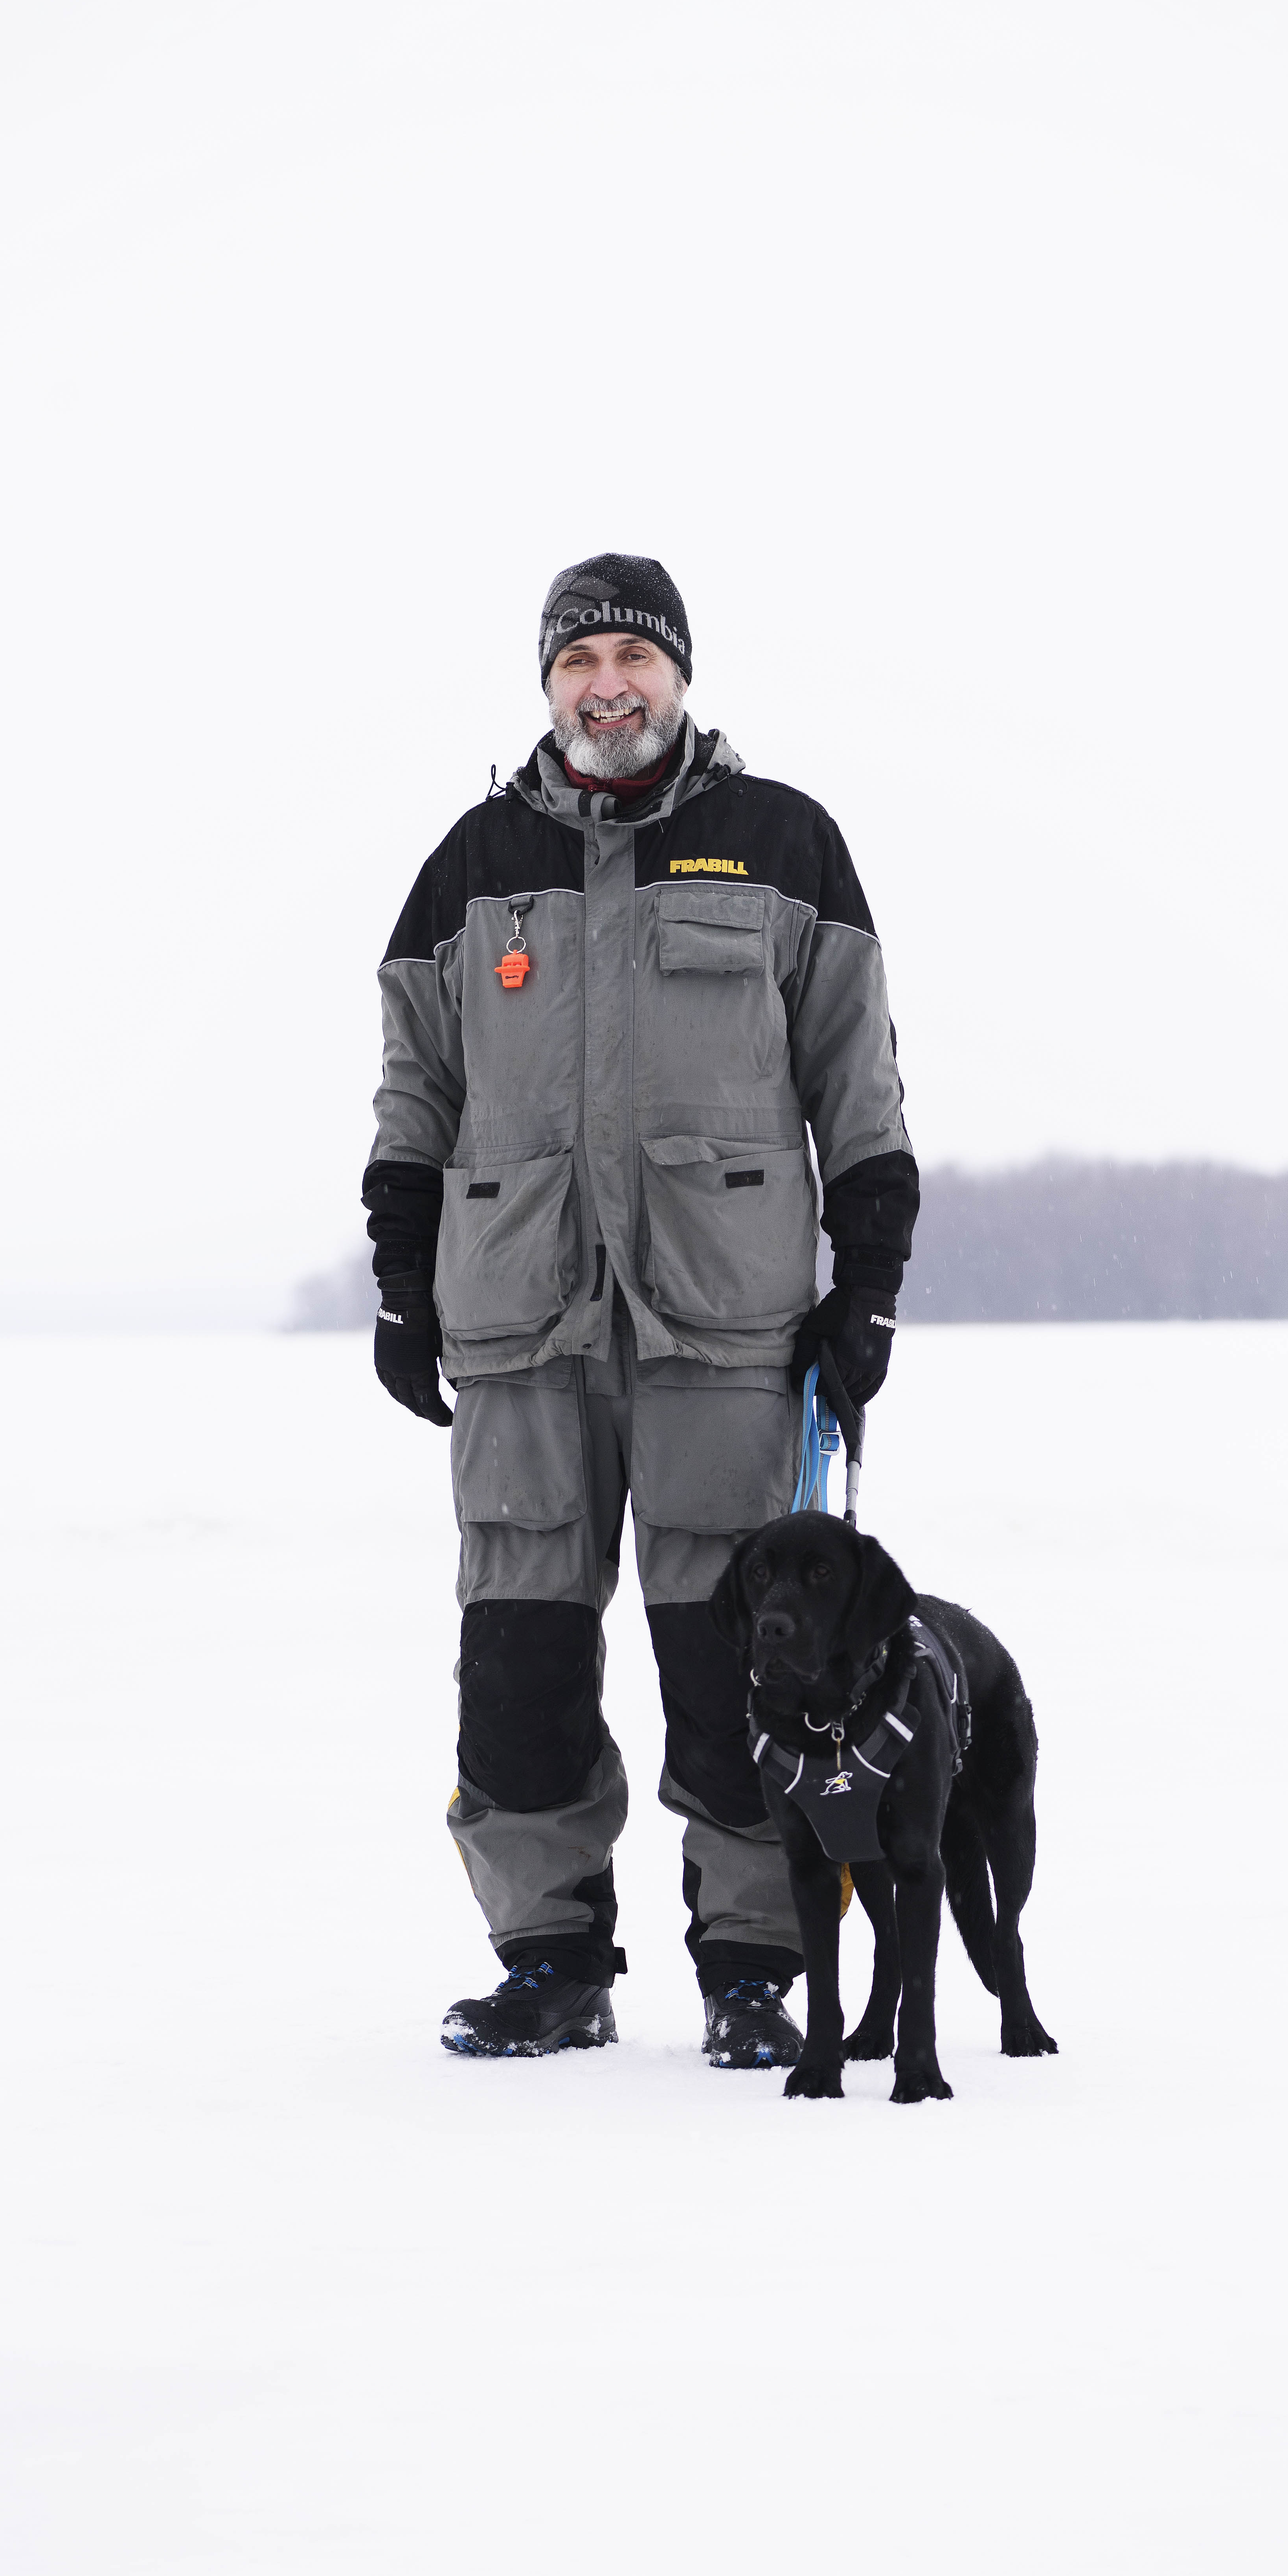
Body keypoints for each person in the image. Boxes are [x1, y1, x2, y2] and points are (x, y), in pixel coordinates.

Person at [362, 554, 918, 2064]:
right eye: (575, 661)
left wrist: (861, 1292)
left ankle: (755, 1964)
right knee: (519, 1656)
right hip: (518, 1331)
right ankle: (549, 1957)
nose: (605, 684)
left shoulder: (782, 843)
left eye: (631, 655)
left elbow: (854, 1087)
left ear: (679, 672)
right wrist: (401, 1283)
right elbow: (418, 1088)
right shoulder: (470, 865)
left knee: (742, 1661)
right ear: (545, 686)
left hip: (725, 1335)